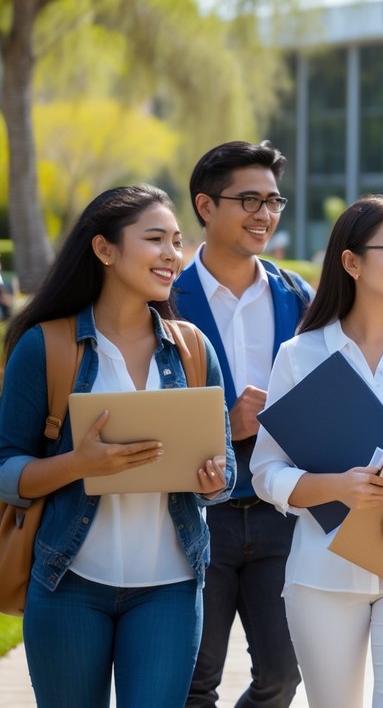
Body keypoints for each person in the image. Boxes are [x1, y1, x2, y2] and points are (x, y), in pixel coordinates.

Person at [0, 185, 234, 706]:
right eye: (155, 239)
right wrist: (78, 464)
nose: (173, 254)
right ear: (105, 250)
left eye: (177, 241)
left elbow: (225, 467)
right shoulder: (46, 346)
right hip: (69, 583)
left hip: (170, 588)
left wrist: (215, 479)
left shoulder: (192, 347)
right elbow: (6, 466)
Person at [250, 195, 383, 707]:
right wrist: (337, 488)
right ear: (351, 261)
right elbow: (265, 470)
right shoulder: (300, 356)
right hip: (322, 572)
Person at [175, 141, 311, 708]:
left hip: (280, 513)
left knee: (283, 676)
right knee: (193, 681)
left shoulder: (296, 296)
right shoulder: (164, 299)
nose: (265, 214)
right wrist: (223, 425)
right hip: (196, 514)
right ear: (205, 206)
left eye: (274, 201)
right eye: (249, 200)